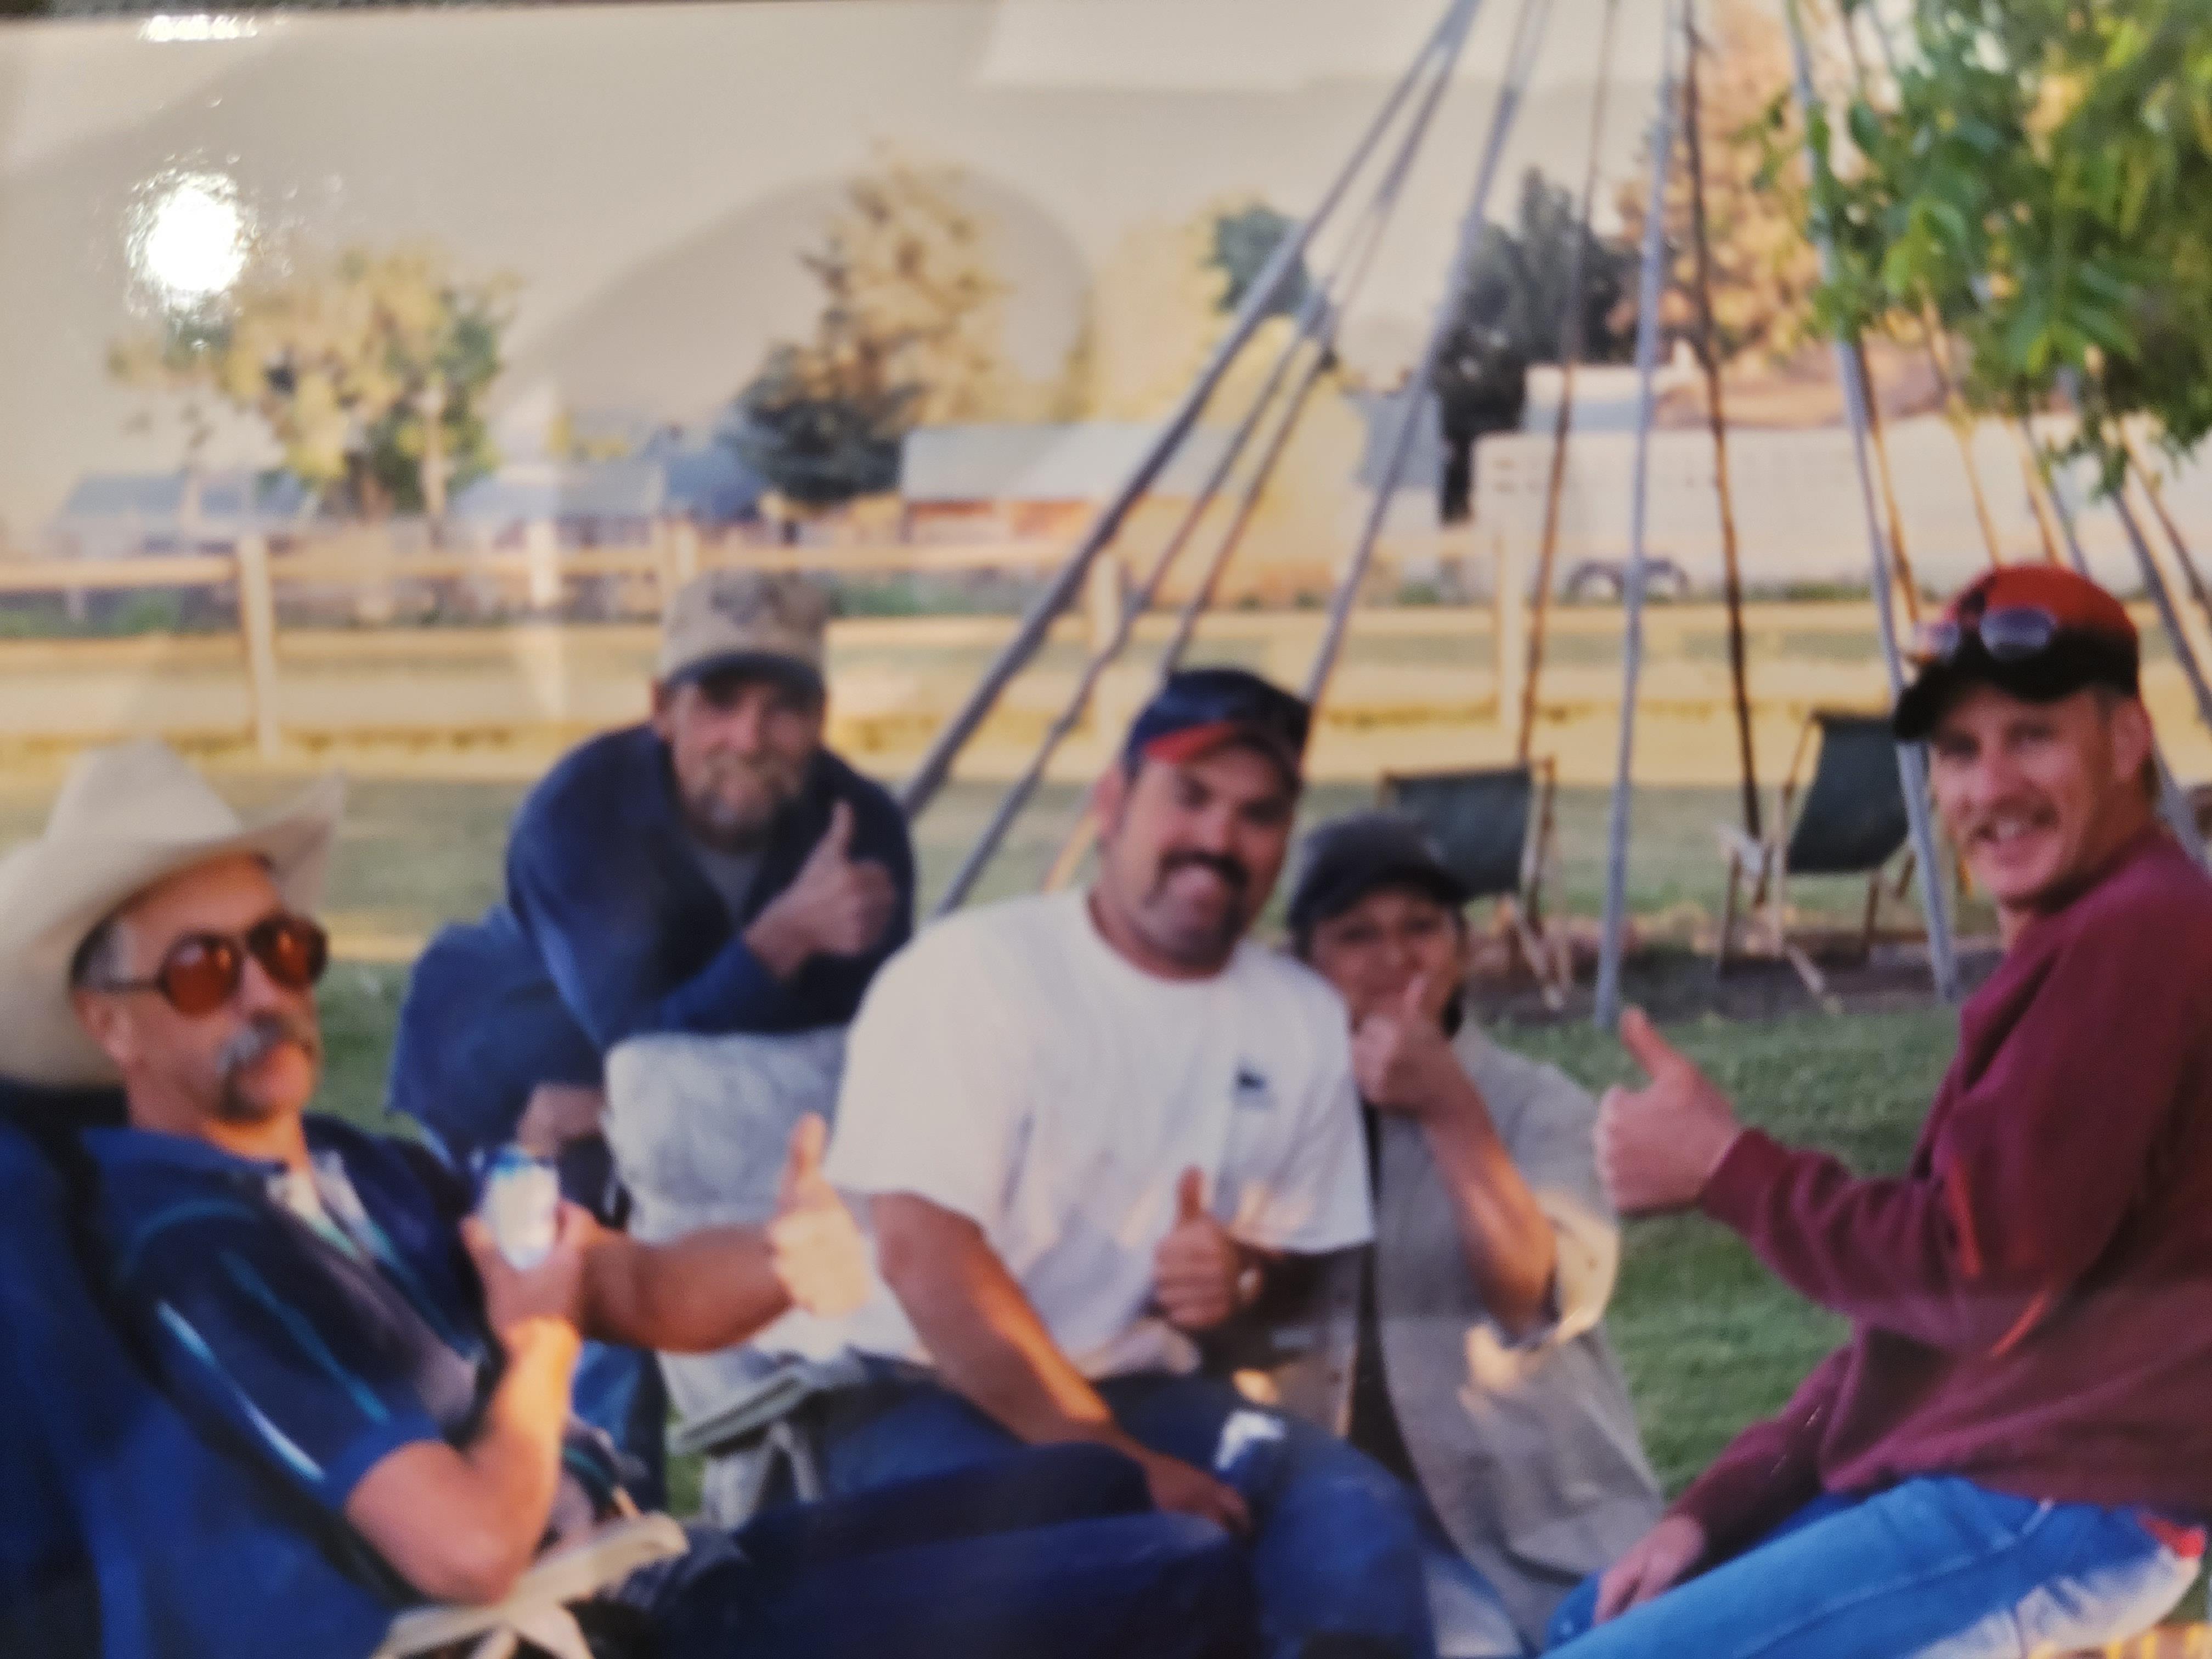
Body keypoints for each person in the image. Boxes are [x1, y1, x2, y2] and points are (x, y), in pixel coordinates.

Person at [0, 738, 1260, 1659]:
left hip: (647, 1576)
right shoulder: (187, 1247)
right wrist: (541, 1346)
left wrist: (781, 1256)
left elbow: (629, 1284)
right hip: (550, 1633)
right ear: (110, 1023)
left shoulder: (356, 1170)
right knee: (1170, 1575)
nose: (266, 993)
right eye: (204, 970)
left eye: (281, 949)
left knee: (1106, 1491)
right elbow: (465, 1547)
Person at [1548, 564, 2212, 1656]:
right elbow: (1917, 1328)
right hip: (1993, 1476)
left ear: (2128, 739)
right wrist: (1711, 1509)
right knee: (1596, 1615)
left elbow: (1979, 1277)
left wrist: (1730, 1173)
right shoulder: (2084, 938)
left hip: (2060, 1502)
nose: (1988, 788)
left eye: (2031, 736)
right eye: (1958, 752)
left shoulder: (2141, 935)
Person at [792, 665, 1437, 1659]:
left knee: (1354, 1512)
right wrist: (1110, 1461)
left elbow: (1294, 1255)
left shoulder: (1299, 1015)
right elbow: (925, 1257)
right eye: (1190, 797)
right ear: (1111, 803)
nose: (1219, 841)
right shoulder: (974, 976)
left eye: (1258, 815)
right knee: (1106, 1564)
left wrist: (1242, 1272)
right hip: (926, 1390)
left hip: (1148, 1394)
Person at [388, 568, 915, 1492]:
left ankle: (779, 1475)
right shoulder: (581, 812)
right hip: (514, 1061)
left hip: (680, 1090)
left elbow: (856, 1047)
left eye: (782, 707)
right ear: (662, 709)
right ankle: (585, 1507)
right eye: (717, 702)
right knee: (566, 1294)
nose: (747, 739)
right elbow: (635, 1040)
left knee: (745, 1245)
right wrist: (784, 935)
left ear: (822, 718)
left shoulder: (858, 824)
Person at [1285, 812, 1660, 1657]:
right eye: (1357, 935)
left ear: (1464, 948)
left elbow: (1535, 1299)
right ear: (1304, 962)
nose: (1397, 957)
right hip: (1339, 1518)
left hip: (1533, 1517)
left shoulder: (1537, 1105)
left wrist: (1449, 1108)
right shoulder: (1270, 1111)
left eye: (1422, 927)